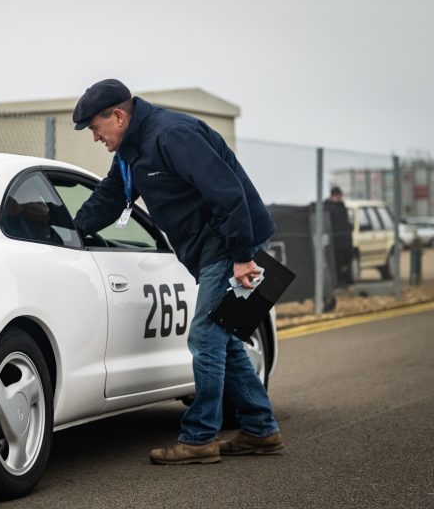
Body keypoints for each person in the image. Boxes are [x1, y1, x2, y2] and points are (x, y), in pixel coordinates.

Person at [71, 79, 283, 465]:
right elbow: (111, 196)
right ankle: (260, 429)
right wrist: (70, 228)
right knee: (225, 337)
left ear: (118, 116)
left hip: (230, 242)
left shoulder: (172, 135)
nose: (95, 137)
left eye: (95, 128)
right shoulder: (131, 152)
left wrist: (240, 255)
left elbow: (226, 192)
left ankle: (200, 437)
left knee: (205, 336)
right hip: (213, 248)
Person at [325, 186, 354, 286]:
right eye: (337, 196)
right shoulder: (328, 208)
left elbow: (346, 222)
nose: (339, 197)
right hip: (335, 242)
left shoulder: (342, 207)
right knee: (337, 263)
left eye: (340, 196)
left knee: (347, 261)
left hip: (346, 241)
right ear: (333, 196)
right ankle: (339, 282)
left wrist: (350, 228)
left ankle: (345, 280)